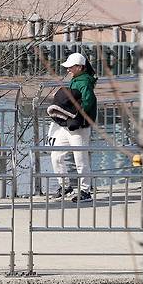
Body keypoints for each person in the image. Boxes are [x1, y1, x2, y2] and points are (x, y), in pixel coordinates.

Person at [49, 52, 97, 203]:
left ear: (80, 67)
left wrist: (76, 115)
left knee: (80, 159)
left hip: (79, 127)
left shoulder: (84, 82)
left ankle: (85, 191)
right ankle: (65, 187)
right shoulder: (77, 79)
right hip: (68, 125)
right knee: (56, 155)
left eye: (70, 67)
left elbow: (88, 102)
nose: (68, 69)